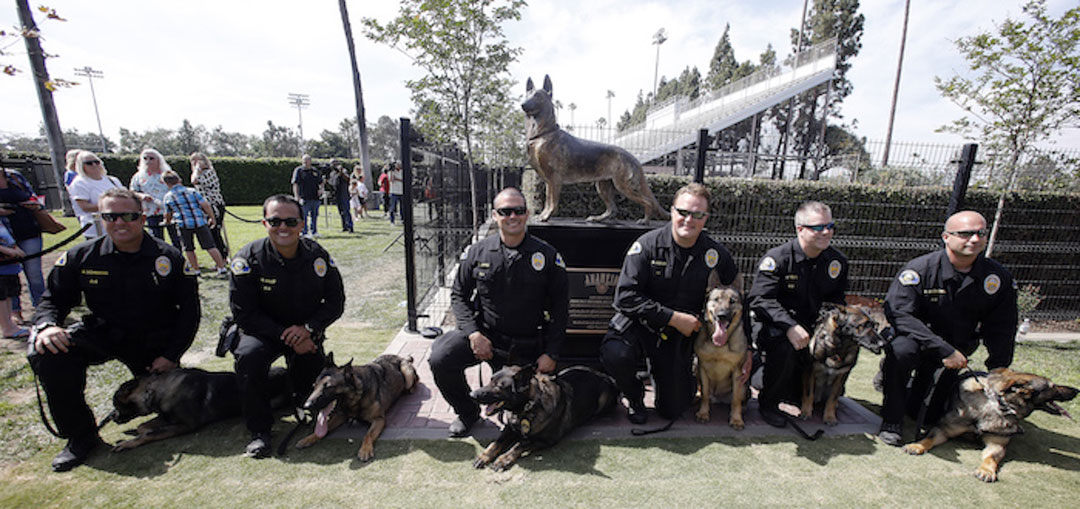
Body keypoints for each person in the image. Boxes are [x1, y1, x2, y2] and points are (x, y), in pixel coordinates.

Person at [27, 188, 199, 472]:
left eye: (128, 216)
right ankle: (80, 436)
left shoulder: (168, 257)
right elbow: (52, 300)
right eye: (110, 216)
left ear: (142, 218)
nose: (120, 222)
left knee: (170, 406)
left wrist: (171, 355)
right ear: (101, 218)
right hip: (104, 334)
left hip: (152, 340)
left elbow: (189, 312)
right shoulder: (82, 257)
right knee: (50, 355)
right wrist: (46, 327)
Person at [428, 187, 568, 437]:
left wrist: (551, 353)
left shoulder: (547, 255)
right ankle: (467, 412)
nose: (513, 216)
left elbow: (560, 308)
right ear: (495, 215)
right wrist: (472, 334)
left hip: (527, 343)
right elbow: (459, 296)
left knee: (528, 415)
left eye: (519, 211)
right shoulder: (478, 251)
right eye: (505, 211)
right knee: (441, 357)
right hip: (486, 337)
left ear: (527, 214)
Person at [600, 183, 740, 424]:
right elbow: (624, 296)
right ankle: (634, 397)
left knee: (674, 408)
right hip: (640, 325)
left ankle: (665, 378)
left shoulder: (716, 255)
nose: (689, 220)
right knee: (615, 353)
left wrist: (748, 349)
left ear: (706, 218)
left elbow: (737, 300)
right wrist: (672, 317)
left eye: (697, 214)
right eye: (683, 212)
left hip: (676, 337)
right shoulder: (647, 245)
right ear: (672, 211)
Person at [877, 210, 1018, 446]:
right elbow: (900, 314)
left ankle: (913, 394)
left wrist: (998, 368)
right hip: (916, 341)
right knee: (901, 352)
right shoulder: (919, 270)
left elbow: (1002, 326)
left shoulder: (996, 277)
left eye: (980, 233)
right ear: (946, 237)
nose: (974, 239)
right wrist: (943, 350)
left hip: (957, 348)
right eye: (965, 234)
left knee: (926, 414)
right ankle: (891, 420)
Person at [228, 194, 345, 458]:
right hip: (262, 332)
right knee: (249, 358)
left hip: (305, 331)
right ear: (264, 223)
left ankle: (306, 410)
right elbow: (243, 313)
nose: (283, 227)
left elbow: (335, 302)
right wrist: (286, 334)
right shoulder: (247, 259)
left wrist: (309, 329)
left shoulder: (317, 255)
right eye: (275, 221)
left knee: (313, 377)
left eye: (290, 221)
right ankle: (260, 432)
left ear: (301, 224)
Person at [747, 201, 847, 427]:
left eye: (830, 226)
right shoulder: (778, 259)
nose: (826, 232)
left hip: (815, 329)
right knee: (783, 350)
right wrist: (789, 325)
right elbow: (760, 299)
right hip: (779, 327)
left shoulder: (837, 262)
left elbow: (837, 302)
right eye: (818, 227)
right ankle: (768, 404)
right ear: (800, 229)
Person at [0, 167, 47, 327]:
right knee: (9, 275)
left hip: (28, 230)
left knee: (34, 273)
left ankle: (42, 309)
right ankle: (15, 312)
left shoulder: (14, 176)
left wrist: (34, 205)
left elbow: (32, 196)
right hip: (4, 237)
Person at [162, 170, 228, 276]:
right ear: (179, 180)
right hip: (200, 222)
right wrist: (212, 218)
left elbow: (168, 213)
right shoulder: (192, 191)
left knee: (189, 248)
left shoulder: (168, 196)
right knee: (210, 246)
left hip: (183, 224)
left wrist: (167, 222)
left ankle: (196, 270)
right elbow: (205, 204)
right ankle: (221, 268)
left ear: (166, 183)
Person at [130, 148, 181, 249]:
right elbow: (132, 191)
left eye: (151, 158)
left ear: (158, 159)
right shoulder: (138, 176)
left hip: (170, 210)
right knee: (156, 238)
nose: (148, 160)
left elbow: (178, 188)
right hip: (151, 211)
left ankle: (178, 258)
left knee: (176, 237)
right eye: (145, 158)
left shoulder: (167, 173)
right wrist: (142, 196)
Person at [68, 152, 124, 239]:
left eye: (96, 162)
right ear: (81, 166)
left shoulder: (112, 180)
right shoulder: (79, 183)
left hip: (117, 226)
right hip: (95, 229)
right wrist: (111, 206)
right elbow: (85, 207)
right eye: (89, 163)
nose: (94, 165)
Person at [189, 152, 229, 257]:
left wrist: (196, 169)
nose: (195, 163)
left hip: (215, 206)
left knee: (214, 232)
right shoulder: (198, 173)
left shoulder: (208, 172)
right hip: (205, 207)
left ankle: (223, 257)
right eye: (193, 161)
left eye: (198, 160)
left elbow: (194, 181)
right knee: (211, 233)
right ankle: (221, 257)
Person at [0, 218, 27, 338]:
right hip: (3, 261)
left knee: (8, 294)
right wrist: (7, 250)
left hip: (9, 264)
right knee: (1, 296)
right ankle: (6, 327)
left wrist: (15, 248)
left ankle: (10, 324)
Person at [327, 161, 353, 233]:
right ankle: (344, 227)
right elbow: (331, 182)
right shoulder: (332, 173)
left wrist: (341, 172)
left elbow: (348, 179)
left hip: (343, 194)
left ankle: (350, 227)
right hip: (337, 194)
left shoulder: (343, 171)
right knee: (341, 211)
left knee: (346, 211)